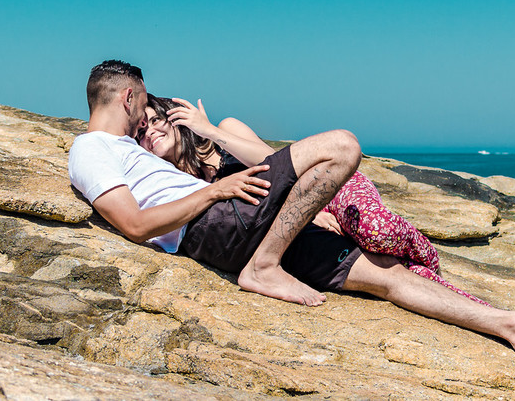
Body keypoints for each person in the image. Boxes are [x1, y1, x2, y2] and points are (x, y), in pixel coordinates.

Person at [67, 60, 515, 357]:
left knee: (388, 276)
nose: (146, 124)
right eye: (143, 113)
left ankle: (513, 327)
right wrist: (214, 192)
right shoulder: (90, 149)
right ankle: (263, 268)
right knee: (340, 145)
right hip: (220, 226)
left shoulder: (131, 149)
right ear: (132, 95)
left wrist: (211, 142)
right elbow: (134, 224)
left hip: (247, 225)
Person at [139, 94, 488, 304]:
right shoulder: (175, 185)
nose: (151, 131)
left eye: (157, 121)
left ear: (175, 119)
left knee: (376, 231)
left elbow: (274, 162)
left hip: (328, 189)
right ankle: (445, 286)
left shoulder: (222, 132)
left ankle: (426, 253)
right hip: (297, 225)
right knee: (394, 272)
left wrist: (211, 131)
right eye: (141, 132)